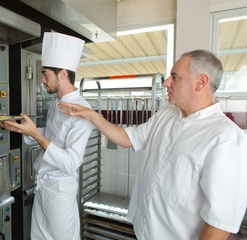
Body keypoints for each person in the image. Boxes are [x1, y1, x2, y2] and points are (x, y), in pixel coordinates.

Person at [58, 50, 247, 240]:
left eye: (175, 77)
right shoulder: (167, 114)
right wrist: (92, 115)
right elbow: (127, 138)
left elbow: (219, 223)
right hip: (145, 232)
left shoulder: (226, 138)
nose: (166, 83)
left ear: (200, 82)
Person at [0, 32, 93, 240]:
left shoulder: (83, 112)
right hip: (44, 186)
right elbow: (53, 137)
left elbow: (70, 163)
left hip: (59, 194)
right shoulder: (56, 102)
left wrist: (35, 134)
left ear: (63, 75)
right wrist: (20, 128)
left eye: (45, 74)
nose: (42, 80)